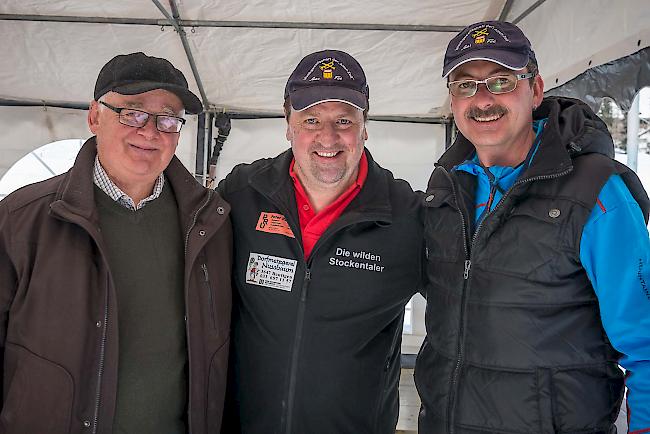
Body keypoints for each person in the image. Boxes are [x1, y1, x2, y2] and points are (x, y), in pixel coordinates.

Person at [416, 20, 650, 433]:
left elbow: (645, 343)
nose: (483, 99)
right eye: (465, 85)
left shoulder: (597, 193)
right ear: (452, 101)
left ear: (536, 89)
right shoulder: (446, 188)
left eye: (501, 81)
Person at [0, 52, 232, 433]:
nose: (150, 131)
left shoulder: (210, 223)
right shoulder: (22, 218)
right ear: (94, 117)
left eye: (168, 118)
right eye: (133, 112)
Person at [218, 49, 422, 433]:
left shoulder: (406, 216)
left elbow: (464, 314)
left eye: (344, 120)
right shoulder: (242, 195)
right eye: (311, 119)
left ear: (364, 126)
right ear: (288, 122)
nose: (327, 137)